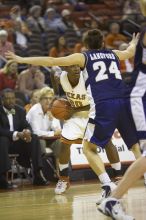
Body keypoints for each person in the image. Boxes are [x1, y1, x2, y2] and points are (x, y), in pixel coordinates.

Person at [6, 29, 140, 203]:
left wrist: (22, 59)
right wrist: (134, 42)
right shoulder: (113, 53)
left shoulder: (83, 57)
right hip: (124, 100)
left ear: (85, 46)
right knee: (135, 146)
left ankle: (108, 185)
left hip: (104, 104)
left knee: (88, 149)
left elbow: (51, 60)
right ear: (102, 43)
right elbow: (130, 52)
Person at [54, 64, 123, 195]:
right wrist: (56, 95)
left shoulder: (87, 78)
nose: (76, 69)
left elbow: (95, 102)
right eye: (72, 66)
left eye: (77, 67)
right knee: (63, 144)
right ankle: (63, 179)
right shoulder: (62, 77)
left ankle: (118, 177)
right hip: (74, 118)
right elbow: (53, 74)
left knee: (108, 143)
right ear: (65, 69)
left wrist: (74, 109)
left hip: (92, 114)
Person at [0, 88, 49, 189]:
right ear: (2, 100)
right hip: (3, 145)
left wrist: (27, 132)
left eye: (13, 98)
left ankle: (37, 174)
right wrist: (17, 134)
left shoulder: (20, 110)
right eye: (8, 99)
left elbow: (27, 125)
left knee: (34, 138)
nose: (11, 101)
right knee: (3, 140)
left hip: (18, 144)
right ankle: (2, 178)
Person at [26, 87, 62, 157]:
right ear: (40, 100)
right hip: (32, 140)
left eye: (50, 98)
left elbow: (58, 130)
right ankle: (41, 167)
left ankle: (58, 167)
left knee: (60, 142)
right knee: (41, 142)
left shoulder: (52, 110)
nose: (48, 101)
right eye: (45, 98)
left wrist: (52, 119)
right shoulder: (35, 110)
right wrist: (53, 133)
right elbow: (36, 132)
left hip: (46, 138)